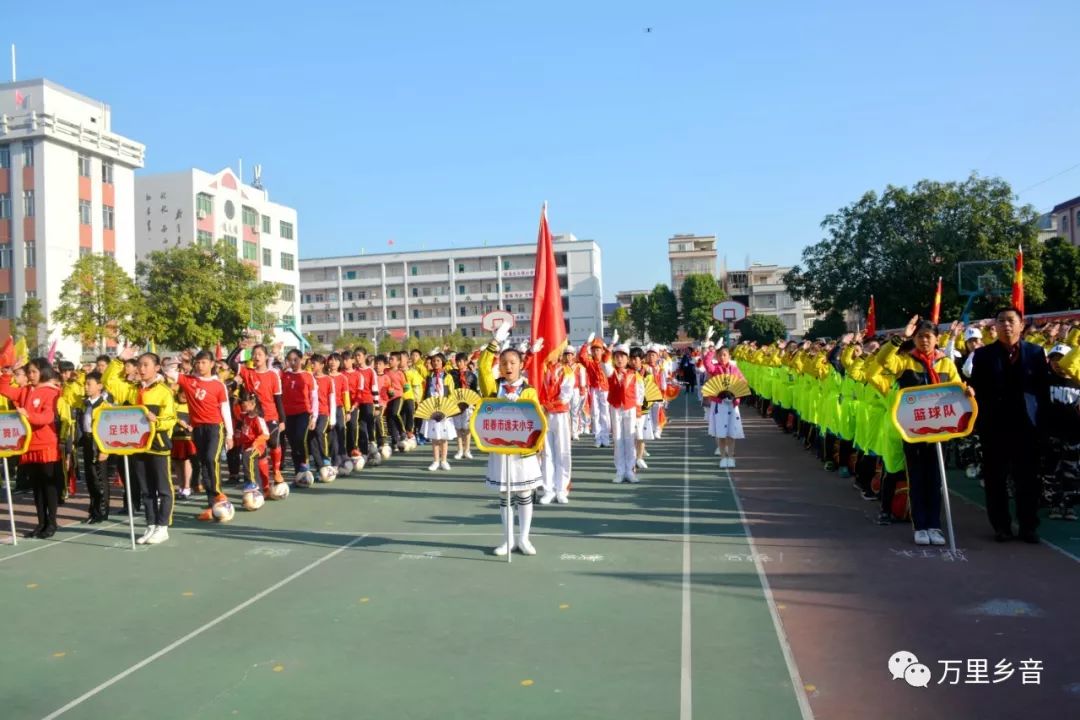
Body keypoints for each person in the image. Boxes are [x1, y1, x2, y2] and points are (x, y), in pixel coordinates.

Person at [872, 317, 959, 546]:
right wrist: (901, 335)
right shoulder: (904, 362)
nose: (923, 340)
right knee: (917, 477)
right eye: (919, 336)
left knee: (935, 479)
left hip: (939, 432)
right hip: (913, 430)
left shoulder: (946, 364)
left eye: (928, 336)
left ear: (937, 339)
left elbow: (957, 389)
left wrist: (967, 391)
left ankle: (935, 525)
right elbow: (882, 360)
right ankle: (920, 525)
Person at [969, 307, 1051, 543]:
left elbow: (1042, 392)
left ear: (1021, 325)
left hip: (1027, 425)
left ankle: (1028, 526)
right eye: (1001, 321)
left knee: (1028, 479)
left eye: (1011, 320)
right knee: (996, 479)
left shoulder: (1035, 353)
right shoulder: (984, 355)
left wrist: (1043, 425)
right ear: (994, 326)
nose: (1006, 325)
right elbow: (977, 388)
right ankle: (1001, 526)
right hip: (994, 426)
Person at [479, 323, 544, 556]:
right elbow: (483, 366)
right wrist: (495, 341)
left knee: (525, 493)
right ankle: (507, 540)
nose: (508, 367)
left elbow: (538, 420)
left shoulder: (529, 391)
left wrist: (538, 446)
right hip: (500, 449)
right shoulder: (493, 388)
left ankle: (524, 538)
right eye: (504, 363)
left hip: (523, 451)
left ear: (520, 365)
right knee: (505, 494)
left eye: (513, 363)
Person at [104, 350, 177, 544]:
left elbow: (171, 419)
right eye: (140, 365)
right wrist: (119, 360)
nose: (142, 369)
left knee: (163, 488)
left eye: (146, 365)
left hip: (158, 446)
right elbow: (109, 382)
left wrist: (157, 421)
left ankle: (163, 526)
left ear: (157, 368)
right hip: (138, 445)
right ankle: (150, 524)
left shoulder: (164, 392)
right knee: (146, 490)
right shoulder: (131, 390)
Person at [1, 359, 63, 538]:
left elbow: (47, 417)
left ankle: (52, 523)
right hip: (29, 444)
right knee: (36, 487)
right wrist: (7, 372)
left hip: (46, 444)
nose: (30, 375)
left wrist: (28, 415)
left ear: (43, 372)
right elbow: (4, 390)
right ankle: (41, 523)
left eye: (34, 372)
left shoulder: (52, 392)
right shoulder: (25, 390)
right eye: (29, 372)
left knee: (48, 486)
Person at [167, 350, 232, 521]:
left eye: (204, 362)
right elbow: (169, 372)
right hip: (197, 429)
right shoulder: (189, 381)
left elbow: (225, 410)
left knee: (212, 459)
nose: (200, 365)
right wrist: (177, 358)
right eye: (198, 362)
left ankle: (219, 494)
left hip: (215, 428)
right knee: (203, 464)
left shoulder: (219, 385)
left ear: (212, 364)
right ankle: (212, 505)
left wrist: (230, 434)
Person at [1045, 344, 1080, 521]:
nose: (1057, 363)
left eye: (1060, 359)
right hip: (1051, 435)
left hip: (1073, 435)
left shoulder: (1077, 381)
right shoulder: (1046, 380)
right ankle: (1054, 504)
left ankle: (1069, 506)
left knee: (1071, 471)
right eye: (1053, 359)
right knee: (1052, 471)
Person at [539, 339, 575, 504]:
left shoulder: (567, 371)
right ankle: (548, 489)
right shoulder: (542, 369)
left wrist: (548, 405)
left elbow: (566, 396)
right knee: (546, 453)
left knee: (562, 451)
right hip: (544, 414)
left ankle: (562, 489)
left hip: (559, 414)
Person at [703, 341, 746, 469]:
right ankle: (723, 457)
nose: (722, 357)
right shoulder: (715, 369)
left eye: (725, 355)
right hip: (719, 404)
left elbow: (743, 382)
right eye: (720, 355)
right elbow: (706, 362)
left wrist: (736, 396)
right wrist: (712, 350)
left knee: (731, 433)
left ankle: (731, 457)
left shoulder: (734, 369)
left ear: (729, 356)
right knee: (721, 433)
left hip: (732, 405)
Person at [280, 348, 317, 484]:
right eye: (290, 360)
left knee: (300, 439)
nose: (293, 362)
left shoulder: (308, 376)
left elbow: (313, 397)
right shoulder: (284, 375)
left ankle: (305, 465)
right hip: (288, 414)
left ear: (301, 360)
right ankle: (298, 473)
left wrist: (314, 416)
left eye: (295, 359)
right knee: (293, 443)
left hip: (303, 412)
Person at [79, 371, 110, 523]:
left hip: (99, 443)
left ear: (99, 386)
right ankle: (93, 511)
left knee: (99, 480)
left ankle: (102, 512)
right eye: (85, 384)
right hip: (87, 441)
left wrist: (105, 450)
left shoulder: (104, 406)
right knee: (90, 479)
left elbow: (107, 429)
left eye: (89, 384)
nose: (86, 387)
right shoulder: (85, 404)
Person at [421, 351, 457, 472]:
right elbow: (425, 392)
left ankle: (444, 460)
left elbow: (452, 394)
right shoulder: (429, 377)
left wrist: (447, 407)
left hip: (444, 409)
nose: (435, 363)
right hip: (431, 409)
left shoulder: (448, 377)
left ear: (443, 363)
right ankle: (435, 461)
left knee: (443, 437)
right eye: (433, 361)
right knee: (435, 437)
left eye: (438, 361)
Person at [451, 352, 478, 460]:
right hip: (456, 404)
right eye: (457, 361)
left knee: (467, 428)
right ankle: (460, 450)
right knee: (458, 428)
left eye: (461, 361)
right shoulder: (452, 374)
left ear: (466, 362)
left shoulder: (471, 375)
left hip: (468, 404)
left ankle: (467, 450)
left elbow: (474, 390)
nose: (459, 363)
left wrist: (474, 403)